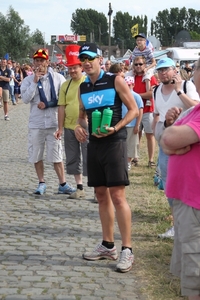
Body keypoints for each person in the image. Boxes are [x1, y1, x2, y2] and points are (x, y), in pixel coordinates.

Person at [74, 42, 139, 273]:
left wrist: (117, 127)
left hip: (115, 143)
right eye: (84, 59)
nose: (87, 62)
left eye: (91, 58)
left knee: (118, 196)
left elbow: (134, 109)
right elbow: (82, 116)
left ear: (100, 60)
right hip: (95, 145)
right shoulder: (83, 87)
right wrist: (78, 127)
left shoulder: (115, 80)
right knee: (101, 195)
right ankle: (108, 245)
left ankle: (127, 250)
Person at [152, 57, 199, 239]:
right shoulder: (156, 90)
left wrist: (179, 92)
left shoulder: (188, 86)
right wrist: (158, 134)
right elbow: (157, 114)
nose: (163, 73)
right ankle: (175, 222)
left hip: (187, 140)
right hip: (166, 141)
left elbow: (196, 107)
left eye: (166, 70)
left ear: (175, 70)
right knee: (168, 184)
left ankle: (183, 223)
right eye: (160, 70)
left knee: (184, 183)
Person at [21, 48, 76, 195]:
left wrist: (49, 104)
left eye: (42, 60)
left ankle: (62, 183)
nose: (39, 63)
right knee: (36, 154)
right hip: (36, 123)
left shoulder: (58, 78)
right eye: (36, 60)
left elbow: (65, 99)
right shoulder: (27, 80)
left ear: (47, 62)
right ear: (33, 62)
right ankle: (41, 182)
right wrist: (34, 82)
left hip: (53, 123)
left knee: (56, 154)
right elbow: (25, 99)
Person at [160, 103, 200, 300]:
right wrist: (170, 125)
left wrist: (171, 137)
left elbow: (168, 139)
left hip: (195, 203)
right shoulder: (193, 111)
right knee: (190, 267)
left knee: (196, 276)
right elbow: (164, 141)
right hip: (186, 200)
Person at [55, 44, 87, 199]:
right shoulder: (65, 85)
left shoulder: (88, 81)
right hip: (69, 127)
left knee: (90, 157)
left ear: (81, 67)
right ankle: (79, 187)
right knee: (73, 157)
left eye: (75, 67)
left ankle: (96, 189)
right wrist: (60, 127)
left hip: (87, 126)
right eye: (70, 68)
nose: (73, 71)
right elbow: (61, 107)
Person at [132, 55, 158, 167]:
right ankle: (135, 158)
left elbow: (151, 94)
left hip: (148, 110)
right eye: (136, 64)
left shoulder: (150, 77)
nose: (138, 66)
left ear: (145, 65)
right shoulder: (131, 77)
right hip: (134, 111)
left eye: (140, 64)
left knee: (149, 135)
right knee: (135, 134)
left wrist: (136, 96)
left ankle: (151, 160)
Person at [123, 76, 143, 170]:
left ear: (133, 85)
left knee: (131, 144)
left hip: (132, 124)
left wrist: (137, 124)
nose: (127, 87)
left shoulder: (136, 96)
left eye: (129, 85)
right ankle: (122, 161)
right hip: (122, 123)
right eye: (125, 85)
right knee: (122, 144)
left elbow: (140, 110)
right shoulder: (121, 95)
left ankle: (128, 162)